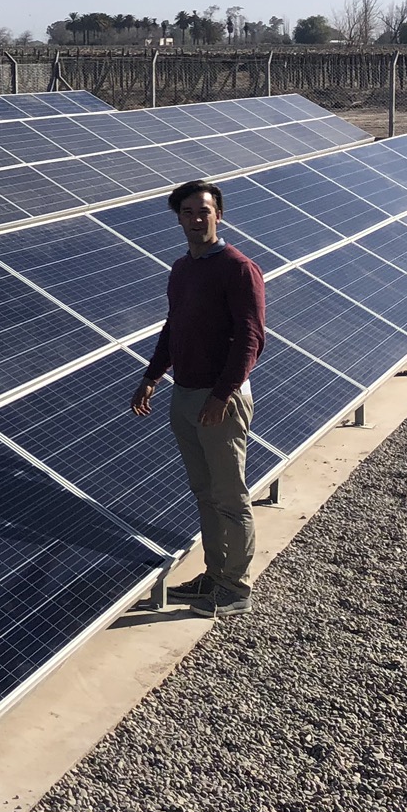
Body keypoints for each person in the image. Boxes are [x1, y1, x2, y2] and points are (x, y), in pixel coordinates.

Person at [130, 179, 266, 618]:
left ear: (218, 215)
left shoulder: (238, 268)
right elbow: (174, 327)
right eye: (187, 212)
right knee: (205, 492)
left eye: (203, 211)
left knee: (229, 495)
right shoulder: (182, 269)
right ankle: (215, 574)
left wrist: (222, 395)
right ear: (179, 219)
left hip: (220, 398)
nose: (195, 219)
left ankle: (236, 587)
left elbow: (251, 339)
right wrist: (152, 375)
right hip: (185, 393)